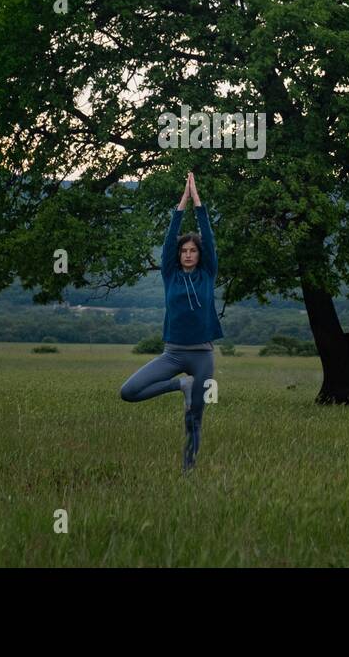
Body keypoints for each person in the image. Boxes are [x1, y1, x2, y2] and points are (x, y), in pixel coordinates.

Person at [119, 171, 222, 472]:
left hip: (202, 354)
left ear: (199, 255)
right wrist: (182, 202)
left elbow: (209, 237)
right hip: (173, 352)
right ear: (178, 256)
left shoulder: (207, 274)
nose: (188, 254)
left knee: (195, 418)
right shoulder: (170, 274)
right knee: (128, 391)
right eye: (184, 251)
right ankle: (181, 385)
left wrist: (198, 202)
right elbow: (167, 242)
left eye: (193, 250)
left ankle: (188, 470)